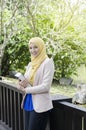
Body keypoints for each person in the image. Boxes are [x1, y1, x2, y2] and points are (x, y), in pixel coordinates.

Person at [18, 37, 54, 130]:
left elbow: (46, 86)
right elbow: (27, 80)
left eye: (35, 47)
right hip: (28, 101)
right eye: (30, 48)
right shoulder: (31, 64)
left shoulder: (48, 62)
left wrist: (26, 90)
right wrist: (21, 83)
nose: (32, 50)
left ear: (41, 47)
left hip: (40, 104)